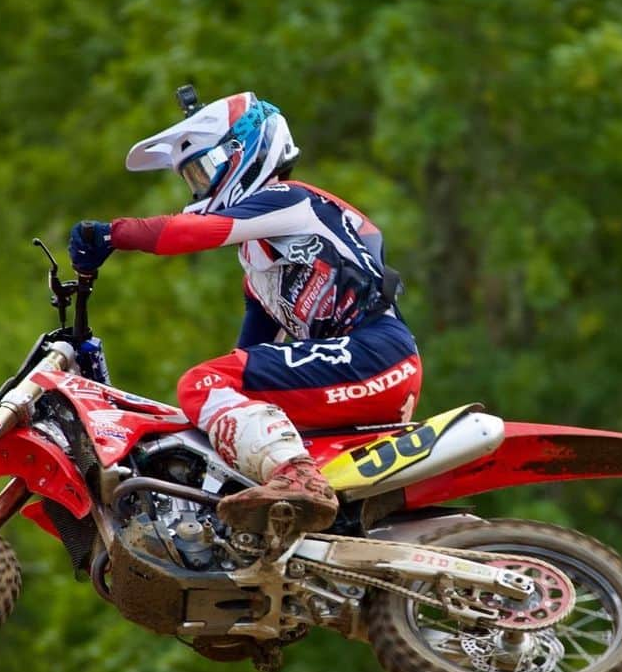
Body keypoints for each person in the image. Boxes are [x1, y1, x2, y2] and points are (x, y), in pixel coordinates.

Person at [68, 88, 421, 534]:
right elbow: (249, 359)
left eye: (204, 169)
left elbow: (188, 233)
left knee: (201, 382)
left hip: (376, 353)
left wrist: (113, 234)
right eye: (190, 177)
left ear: (243, 154)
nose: (199, 187)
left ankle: (299, 480)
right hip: (358, 371)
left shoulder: (291, 201)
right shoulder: (259, 265)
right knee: (208, 410)